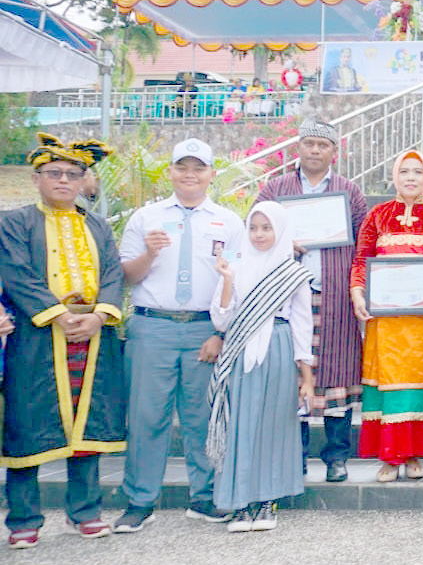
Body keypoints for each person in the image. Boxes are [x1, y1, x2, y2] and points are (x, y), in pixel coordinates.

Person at [1, 134, 123, 548]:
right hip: (36, 339)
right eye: (54, 173)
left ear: (84, 180)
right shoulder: (15, 222)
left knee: (88, 428)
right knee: (27, 426)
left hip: (92, 338)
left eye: (73, 174)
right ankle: (23, 520)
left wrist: (99, 315)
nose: (63, 181)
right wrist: (60, 315)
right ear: (37, 178)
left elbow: (112, 275)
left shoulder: (98, 225)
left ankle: (85, 512)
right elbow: (17, 274)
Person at [113, 139, 240, 533]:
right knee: (147, 416)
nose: (190, 174)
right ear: (170, 172)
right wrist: (149, 254)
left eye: (198, 168)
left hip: (205, 328)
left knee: (201, 416)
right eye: (182, 167)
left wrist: (221, 332)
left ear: (211, 175)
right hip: (153, 326)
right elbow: (125, 277)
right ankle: (140, 500)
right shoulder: (145, 217)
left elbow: (236, 282)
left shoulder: (228, 221)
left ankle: (203, 497)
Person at [256, 119, 370, 484]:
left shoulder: (349, 192)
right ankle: (296, 456)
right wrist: (279, 241)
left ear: (334, 151)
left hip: (334, 295)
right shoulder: (276, 188)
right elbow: (253, 228)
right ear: (298, 148)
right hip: (288, 299)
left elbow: (364, 243)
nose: (316, 151)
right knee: (292, 375)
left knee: (338, 376)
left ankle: (337, 457)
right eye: (309, 144)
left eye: (323, 145)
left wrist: (356, 287)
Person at [207, 202, 313, 533]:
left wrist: (305, 376)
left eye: (267, 227)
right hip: (241, 349)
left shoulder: (292, 272)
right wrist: (226, 280)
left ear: (280, 230)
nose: (259, 234)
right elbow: (221, 319)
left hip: (278, 348)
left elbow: (301, 324)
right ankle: (239, 500)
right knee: (242, 421)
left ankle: (267, 500)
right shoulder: (235, 265)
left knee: (274, 424)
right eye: (253, 227)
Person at [348, 151, 423, 482]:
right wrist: (357, 291)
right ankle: (390, 458)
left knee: (418, 383)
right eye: (404, 171)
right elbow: (362, 259)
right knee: (388, 382)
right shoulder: (378, 215)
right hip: (385, 320)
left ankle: (415, 454)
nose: (410, 177)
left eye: (417, 172)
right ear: (394, 175)